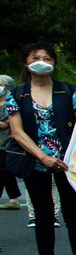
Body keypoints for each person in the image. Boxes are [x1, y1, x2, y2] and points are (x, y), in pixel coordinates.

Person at [5, 43, 76, 255]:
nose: (41, 61)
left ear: (54, 62)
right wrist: (42, 156)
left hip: (67, 162)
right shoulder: (17, 94)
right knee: (43, 215)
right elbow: (18, 133)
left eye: (47, 57)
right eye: (36, 57)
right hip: (35, 162)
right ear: (26, 63)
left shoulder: (69, 91)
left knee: (73, 213)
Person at [0, 74, 25, 211]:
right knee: (5, 172)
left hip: (7, 142)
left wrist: (5, 123)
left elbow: (8, 123)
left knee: (5, 171)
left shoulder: (11, 103)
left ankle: (13, 198)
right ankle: (13, 198)